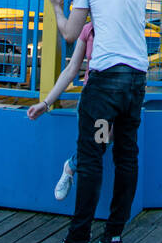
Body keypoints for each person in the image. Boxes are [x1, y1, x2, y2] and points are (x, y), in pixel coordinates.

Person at [38, 0, 149, 243]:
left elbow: (70, 34)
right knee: (126, 156)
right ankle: (113, 236)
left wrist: (58, 7)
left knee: (91, 157)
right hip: (135, 82)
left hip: (106, 86)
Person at [26, 20, 113, 200]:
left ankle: (71, 166)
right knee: (97, 145)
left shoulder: (120, 27)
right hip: (94, 100)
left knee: (103, 142)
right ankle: (72, 169)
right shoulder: (88, 30)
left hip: (115, 97)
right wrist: (46, 103)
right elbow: (71, 69)